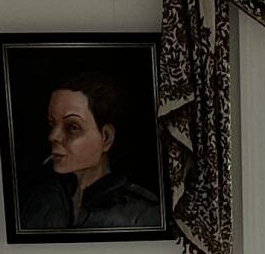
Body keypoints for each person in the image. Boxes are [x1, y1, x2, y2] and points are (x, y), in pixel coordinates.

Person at [17, 69, 162, 232]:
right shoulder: (41, 199)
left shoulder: (142, 212)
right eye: (52, 124)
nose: (53, 136)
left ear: (106, 138)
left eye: (72, 127)